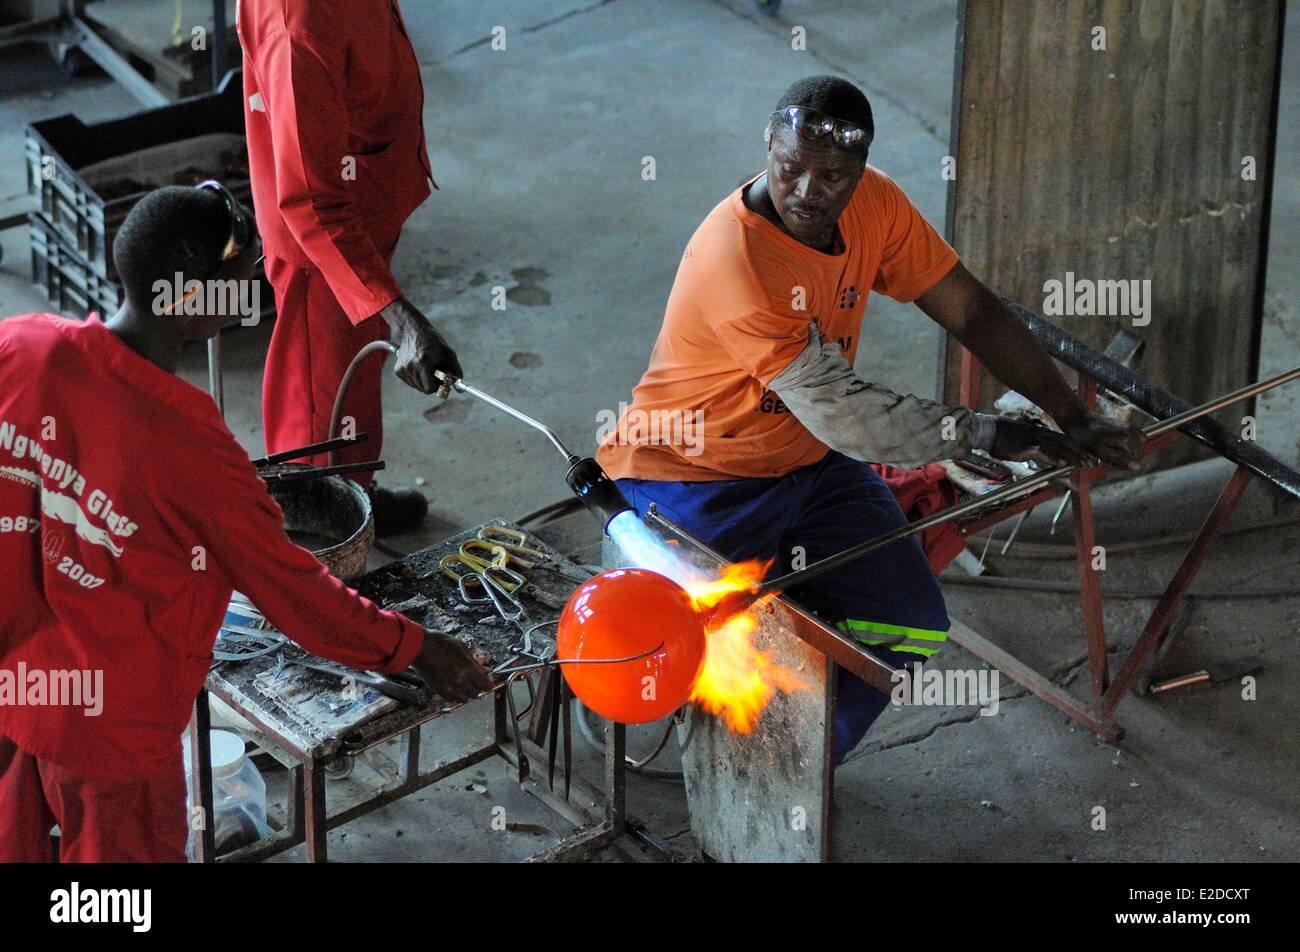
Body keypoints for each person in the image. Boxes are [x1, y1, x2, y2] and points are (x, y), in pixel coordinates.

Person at [597, 75, 1143, 764]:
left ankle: (787, 773)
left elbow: (971, 309)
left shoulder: (876, 205)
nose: (806, 192)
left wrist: (1069, 413)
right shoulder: (737, 260)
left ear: (859, 172)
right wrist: (986, 432)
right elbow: (847, 418)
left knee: (909, 623)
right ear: (767, 146)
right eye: (790, 168)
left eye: (831, 177)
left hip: (808, 463)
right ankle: (725, 742)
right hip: (692, 475)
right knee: (687, 650)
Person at [0, 186, 490, 862]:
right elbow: (295, 593)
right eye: (239, 276)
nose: (252, 286)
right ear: (195, 298)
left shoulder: (22, 347)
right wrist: (416, 647)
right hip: (115, 741)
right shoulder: (192, 448)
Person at [238, 0, 462, 533]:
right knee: (320, 404)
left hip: (363, 196)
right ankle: (320, 532)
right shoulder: (297, 27)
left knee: (354, 377)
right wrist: (402, 317)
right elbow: (312, 203)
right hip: (324, 248)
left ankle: (352, 490)